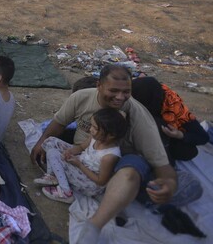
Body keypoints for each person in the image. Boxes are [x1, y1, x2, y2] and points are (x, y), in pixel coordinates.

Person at [29, 64, 202, 243]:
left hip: (116, 165)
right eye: (113, 90)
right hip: (85, 157)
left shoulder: (138, 116)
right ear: (99, 85)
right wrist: (42, 143)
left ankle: (94, 226)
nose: (120, 97)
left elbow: (160, 162)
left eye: (126, 92)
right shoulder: (81, 98)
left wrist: (169, 181)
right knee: (50, 143)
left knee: (133, 169)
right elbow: (59, 122)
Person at [35, 109, 126, 204]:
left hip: (90, 183)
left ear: (110, 135)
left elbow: (100, 181)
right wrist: (69, 151)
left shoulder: (109, 156)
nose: (90, 129)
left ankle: (66, 192)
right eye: (92, 126)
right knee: (51, 141)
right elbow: (81, 147)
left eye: (95, 128)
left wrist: (79, 165)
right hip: (81, 162)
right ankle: (53, 176)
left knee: (53, 154)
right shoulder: (95, 138)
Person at [132, 76, 208, 163]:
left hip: (168, 139)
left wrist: (179, 135)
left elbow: (203, 138)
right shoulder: (131, 96)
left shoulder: (176, 108)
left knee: (187, 151)